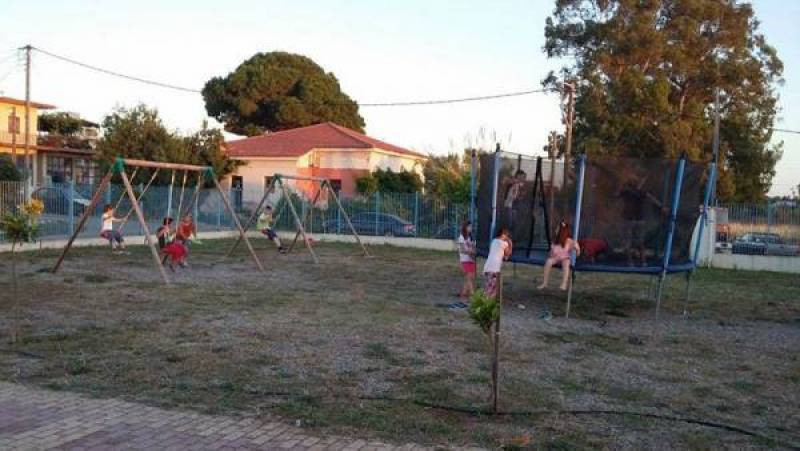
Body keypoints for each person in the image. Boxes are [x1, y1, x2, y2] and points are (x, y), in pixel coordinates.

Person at [539, 221, 580, 291]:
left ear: (562, 231)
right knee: (548, 261)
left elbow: (578, 251)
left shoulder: (569, 240)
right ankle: (545, 283)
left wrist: (577, 249)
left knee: (566, 262)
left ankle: (564, 284)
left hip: (565, 258)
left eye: (557, 229)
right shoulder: (555, 241)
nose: (556, 230)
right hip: (556, 258)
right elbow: (552, 253)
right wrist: (551, 255)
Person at [483, 227, 512, 299]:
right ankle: (488, 302)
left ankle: (485, 300)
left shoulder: (494, 241)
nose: (507, 238)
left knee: (488, 287)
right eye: (506, 236)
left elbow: (499, 252)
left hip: (487, 266)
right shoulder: (504, 243)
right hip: (494, 269)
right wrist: (510, 244)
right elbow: (508, 253)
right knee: (494, 289)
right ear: (503, 235)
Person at [457, 221, 476, 298]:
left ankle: (463, 293)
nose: (471, 228)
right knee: (468, 278)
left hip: (471, 259)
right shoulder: (461, 237)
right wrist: (470, 251)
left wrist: (473, 251)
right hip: (464, 260)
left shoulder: (471, 237)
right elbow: (462, 250)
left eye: (471, 226)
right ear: (465, 227)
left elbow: (473, 247)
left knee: (471, 277)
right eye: (469, 226)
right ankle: (473, 294)